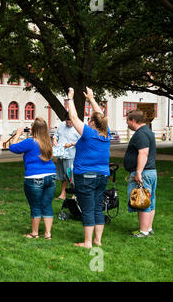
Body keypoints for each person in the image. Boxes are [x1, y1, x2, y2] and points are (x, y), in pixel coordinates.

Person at [67, 87, 111, 248]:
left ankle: (87, 243)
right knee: (98, 208)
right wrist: (91, 99)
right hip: (102, 176)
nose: (87, 121)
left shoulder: (89, 133)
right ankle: (97, 241)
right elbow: (101, 117)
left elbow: (73, 116)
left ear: (92, 123)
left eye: (90, 120)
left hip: (86, 176)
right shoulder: (106, 134)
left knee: (87, 209)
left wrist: (70, 98)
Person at [9, 118, 56, 240]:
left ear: (35, 129)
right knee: (47, 205)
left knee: (35, 206)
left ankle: (34, 233)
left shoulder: (30, 142)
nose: (29, 129)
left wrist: (18, 134)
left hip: (34, 178)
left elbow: (12, 148)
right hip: (51, 176)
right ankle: (48, 234)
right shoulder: (47, 142)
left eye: (31, 126)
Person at [123, 109, 157, 237]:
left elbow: (143, 153)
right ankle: (148, 228)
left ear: (133, 120)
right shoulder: (147, 132)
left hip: (144, 172)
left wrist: (138, 172)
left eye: (127, 120)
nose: (127, 123)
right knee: (150, 200)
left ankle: (143, 231)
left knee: (142, 200)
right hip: (150, 172)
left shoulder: (141, 134)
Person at [53, 115, 81, 200]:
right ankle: (63, 194)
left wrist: (71, 144)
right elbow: (56, 135)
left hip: (71, 155)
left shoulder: (78, 127)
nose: (69, 124)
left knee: (71, 175)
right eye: (67, 122)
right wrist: (54, 140)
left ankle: (75, 194)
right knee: (63, 175)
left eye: (70, 122)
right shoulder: (61, 125)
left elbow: (82, 141)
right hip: (60, 154)